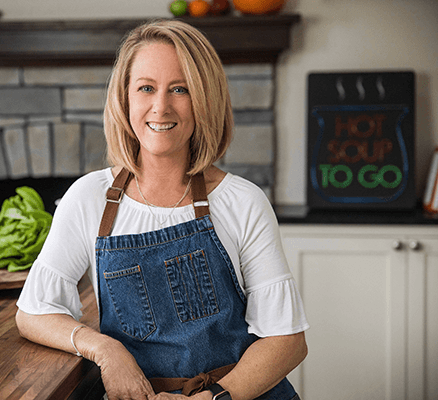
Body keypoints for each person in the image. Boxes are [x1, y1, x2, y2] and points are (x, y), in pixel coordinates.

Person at [16, 19, 309, 400]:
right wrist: (105, 349)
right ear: (125, 99)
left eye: (179, 89)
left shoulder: (242, 201)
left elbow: (287, 340)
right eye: (146, 88)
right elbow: (33, 312)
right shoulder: (89, 198)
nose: (161, 106)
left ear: (204, 100)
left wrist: (212, 398)